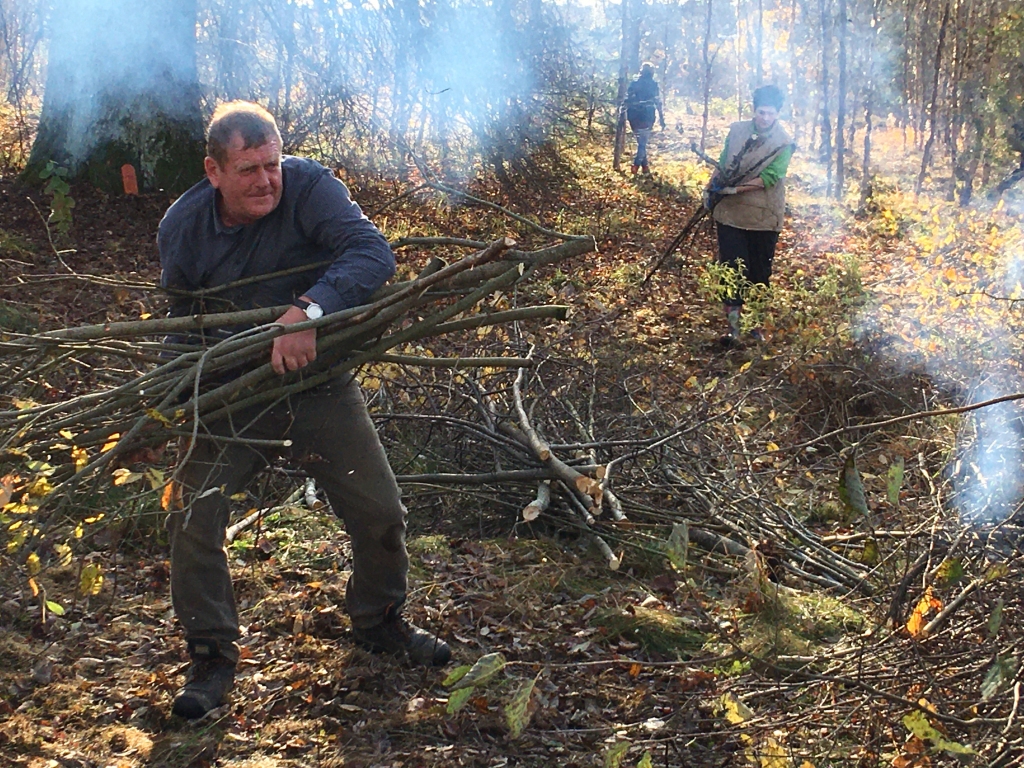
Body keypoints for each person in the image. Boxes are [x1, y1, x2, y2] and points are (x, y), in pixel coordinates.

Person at [157, 101, 451, 720]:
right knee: (191, 517)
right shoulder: (182, 227)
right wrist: (172, 402)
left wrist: (308, 311)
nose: (266, 180)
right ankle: (211, 654)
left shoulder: (311, 186)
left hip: (317, 387)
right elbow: (181, 324)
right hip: (234, 395)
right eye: (248, 170)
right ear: (213, 170)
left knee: (380, 511)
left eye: (272, 164)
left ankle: (379, 620)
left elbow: (371, 254)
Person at [705, 84, 794, 343]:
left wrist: (736, 189)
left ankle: (755, 326)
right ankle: (733, 328)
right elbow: (723, 162)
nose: (765, 118)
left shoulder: (784, 143)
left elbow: (770, 177)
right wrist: (711, 188)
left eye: (770, 113)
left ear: (778, 114)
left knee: (758, 272)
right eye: (761, 112)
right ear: (754, 110)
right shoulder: (737, 131)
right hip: (731, 214)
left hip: (764, 217)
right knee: (730, 268)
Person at [624, 62, 666, 175]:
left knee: (641, 142)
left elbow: (627, 99)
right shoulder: (653, 85)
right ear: (652, 72)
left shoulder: (634, 83)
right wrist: (662, 118)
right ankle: (636, 165)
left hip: (633, 115)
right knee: (642, 143)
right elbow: (658, 102)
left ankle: (645, 167)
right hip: (647, 115)